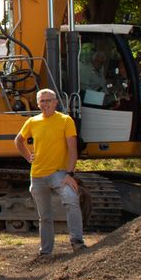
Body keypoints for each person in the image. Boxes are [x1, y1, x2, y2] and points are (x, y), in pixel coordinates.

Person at [14, 88, 87, 256]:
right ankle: (46, 252)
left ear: (56, 102)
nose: (46, 104)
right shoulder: (33, 122)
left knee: (71, 198)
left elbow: (72, 149)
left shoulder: (65, 120)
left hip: (59, 174)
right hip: (37, 175)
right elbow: (18, 140)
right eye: (42, 101)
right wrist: (27, 156)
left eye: (49, 100)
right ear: (38, 104)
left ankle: (77, 241)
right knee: (44, 216)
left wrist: (70, 174)